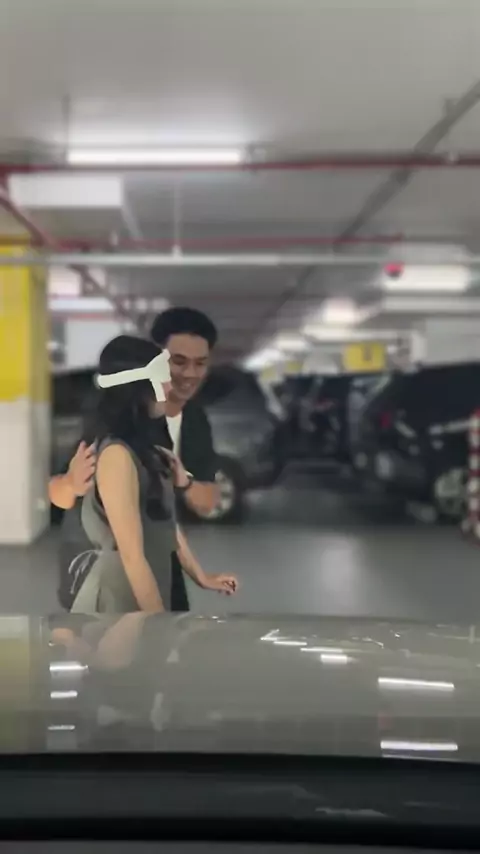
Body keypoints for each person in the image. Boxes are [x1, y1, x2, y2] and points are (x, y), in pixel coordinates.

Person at [50, 307, 221, 612]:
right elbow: (131, 554)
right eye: (176, 363)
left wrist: (201, 576)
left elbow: (177, 516)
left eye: (200, 363)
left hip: (160, 565)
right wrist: (71, 484)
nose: (184, 376)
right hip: (120, 592)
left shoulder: (184, 425)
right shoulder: (115, 449)